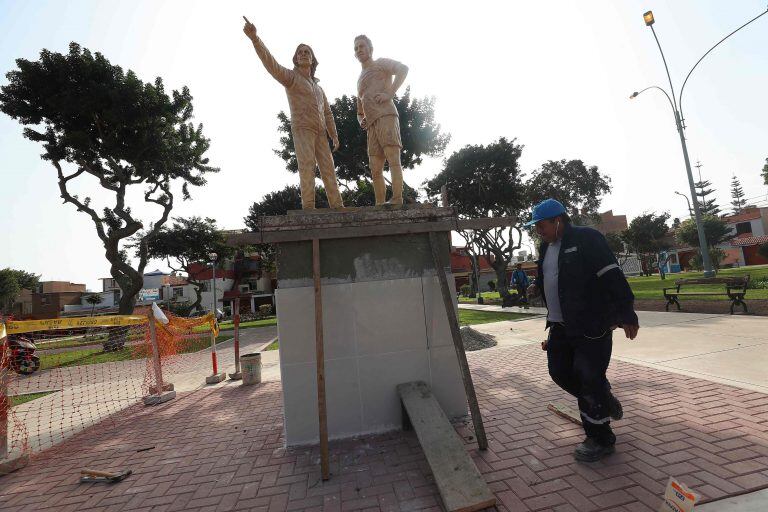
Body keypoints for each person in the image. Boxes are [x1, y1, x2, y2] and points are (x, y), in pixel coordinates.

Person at [526, 198, 639, 462]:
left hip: (592, 325)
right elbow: (549, 276)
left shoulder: (587, 238)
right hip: (559, 326)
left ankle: (600, 438)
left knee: (588, 378)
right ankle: (604, 398)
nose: (537, 231)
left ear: (558, 220)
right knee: (559, 372)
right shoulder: (546, 248)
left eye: (540, 225)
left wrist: (626, 313)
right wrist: (537, 286)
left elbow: (612, 274)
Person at [243, 16, 344, 210]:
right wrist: (255, 39)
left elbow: (328, 113)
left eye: (307, 52)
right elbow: (270, 64)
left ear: (313, 59)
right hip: (303, 128)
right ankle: (308, 208)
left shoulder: (318, 87)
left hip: (321, 131)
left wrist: (334, 134)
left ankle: (338, 207)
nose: (304, 54)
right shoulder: (291, 78)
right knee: (307, 166)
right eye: (300, 52)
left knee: (329, 170)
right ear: (296, 58)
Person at [353, 35, 408, 205]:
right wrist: (360, 119)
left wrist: (389, 93)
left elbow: (403, 69)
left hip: (386, 116)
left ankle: (397, 198)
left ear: (370, 48)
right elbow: (359, 108)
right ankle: (379, 204)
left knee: (393, 158)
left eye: (362, 46)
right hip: (371, 125)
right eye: (356, 48)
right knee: (374, 168)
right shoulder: (359, 79)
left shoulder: (381, 63)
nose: (359, 50)